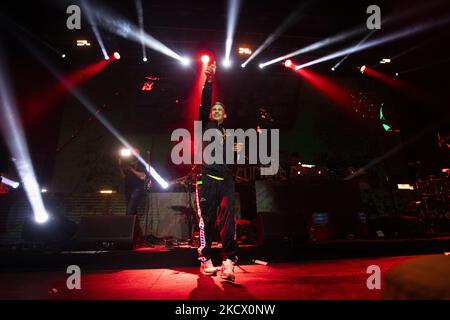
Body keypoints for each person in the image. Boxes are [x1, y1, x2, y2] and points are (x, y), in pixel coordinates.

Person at [195, 61, 238, 281]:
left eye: (220, 109)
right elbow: (203, 105)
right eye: (214, 109)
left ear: (225, 115)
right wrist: (209, 82)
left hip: (226, 180)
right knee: (208, 222)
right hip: (207, 179)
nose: (216, 110)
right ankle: (206, 260)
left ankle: (229, 262)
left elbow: (233, 160)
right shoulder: (206, 126)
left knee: (228, 219)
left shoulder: (230, 135)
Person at [118, 149, 147, 215]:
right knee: (131, 210)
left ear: (138, 153)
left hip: (137, 189)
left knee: (129, 210)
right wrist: (120, 166)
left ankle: (129, 224)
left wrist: (131, 169)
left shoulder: (141, 163)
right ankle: (135, 224)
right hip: (128, 189)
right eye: (132, 152)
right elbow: (124, 177)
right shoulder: (127, 162)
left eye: (135, 152)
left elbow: (142, 176)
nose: (133, 153)